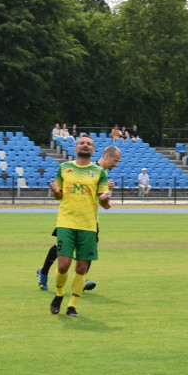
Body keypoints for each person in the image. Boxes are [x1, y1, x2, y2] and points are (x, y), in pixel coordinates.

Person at [36, 144, 121, 293]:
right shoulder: (89, 170)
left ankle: (81, 280)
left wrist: (106, 202)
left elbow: (95, 199)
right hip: (72, 216)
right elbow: (78, 190)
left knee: (88, 249)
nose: (116, 164)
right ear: (106, 156)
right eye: (115, 160)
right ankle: (43, 272)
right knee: (60, 248)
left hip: (90, 219)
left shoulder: (103, 174)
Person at [47, 134, 112, 317]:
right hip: (66, 222)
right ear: (75, 148)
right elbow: (59, 196)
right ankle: (59, 294)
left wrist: (105, 201)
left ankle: (72, 306)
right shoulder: (64, 168)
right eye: (81, 143)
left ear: (93, 150)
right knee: (63, 265)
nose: (85, 146)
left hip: (88, 224)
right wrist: (55, 192)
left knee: (82, 268)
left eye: (88, 144)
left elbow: (103, 201)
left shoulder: (99, 173)